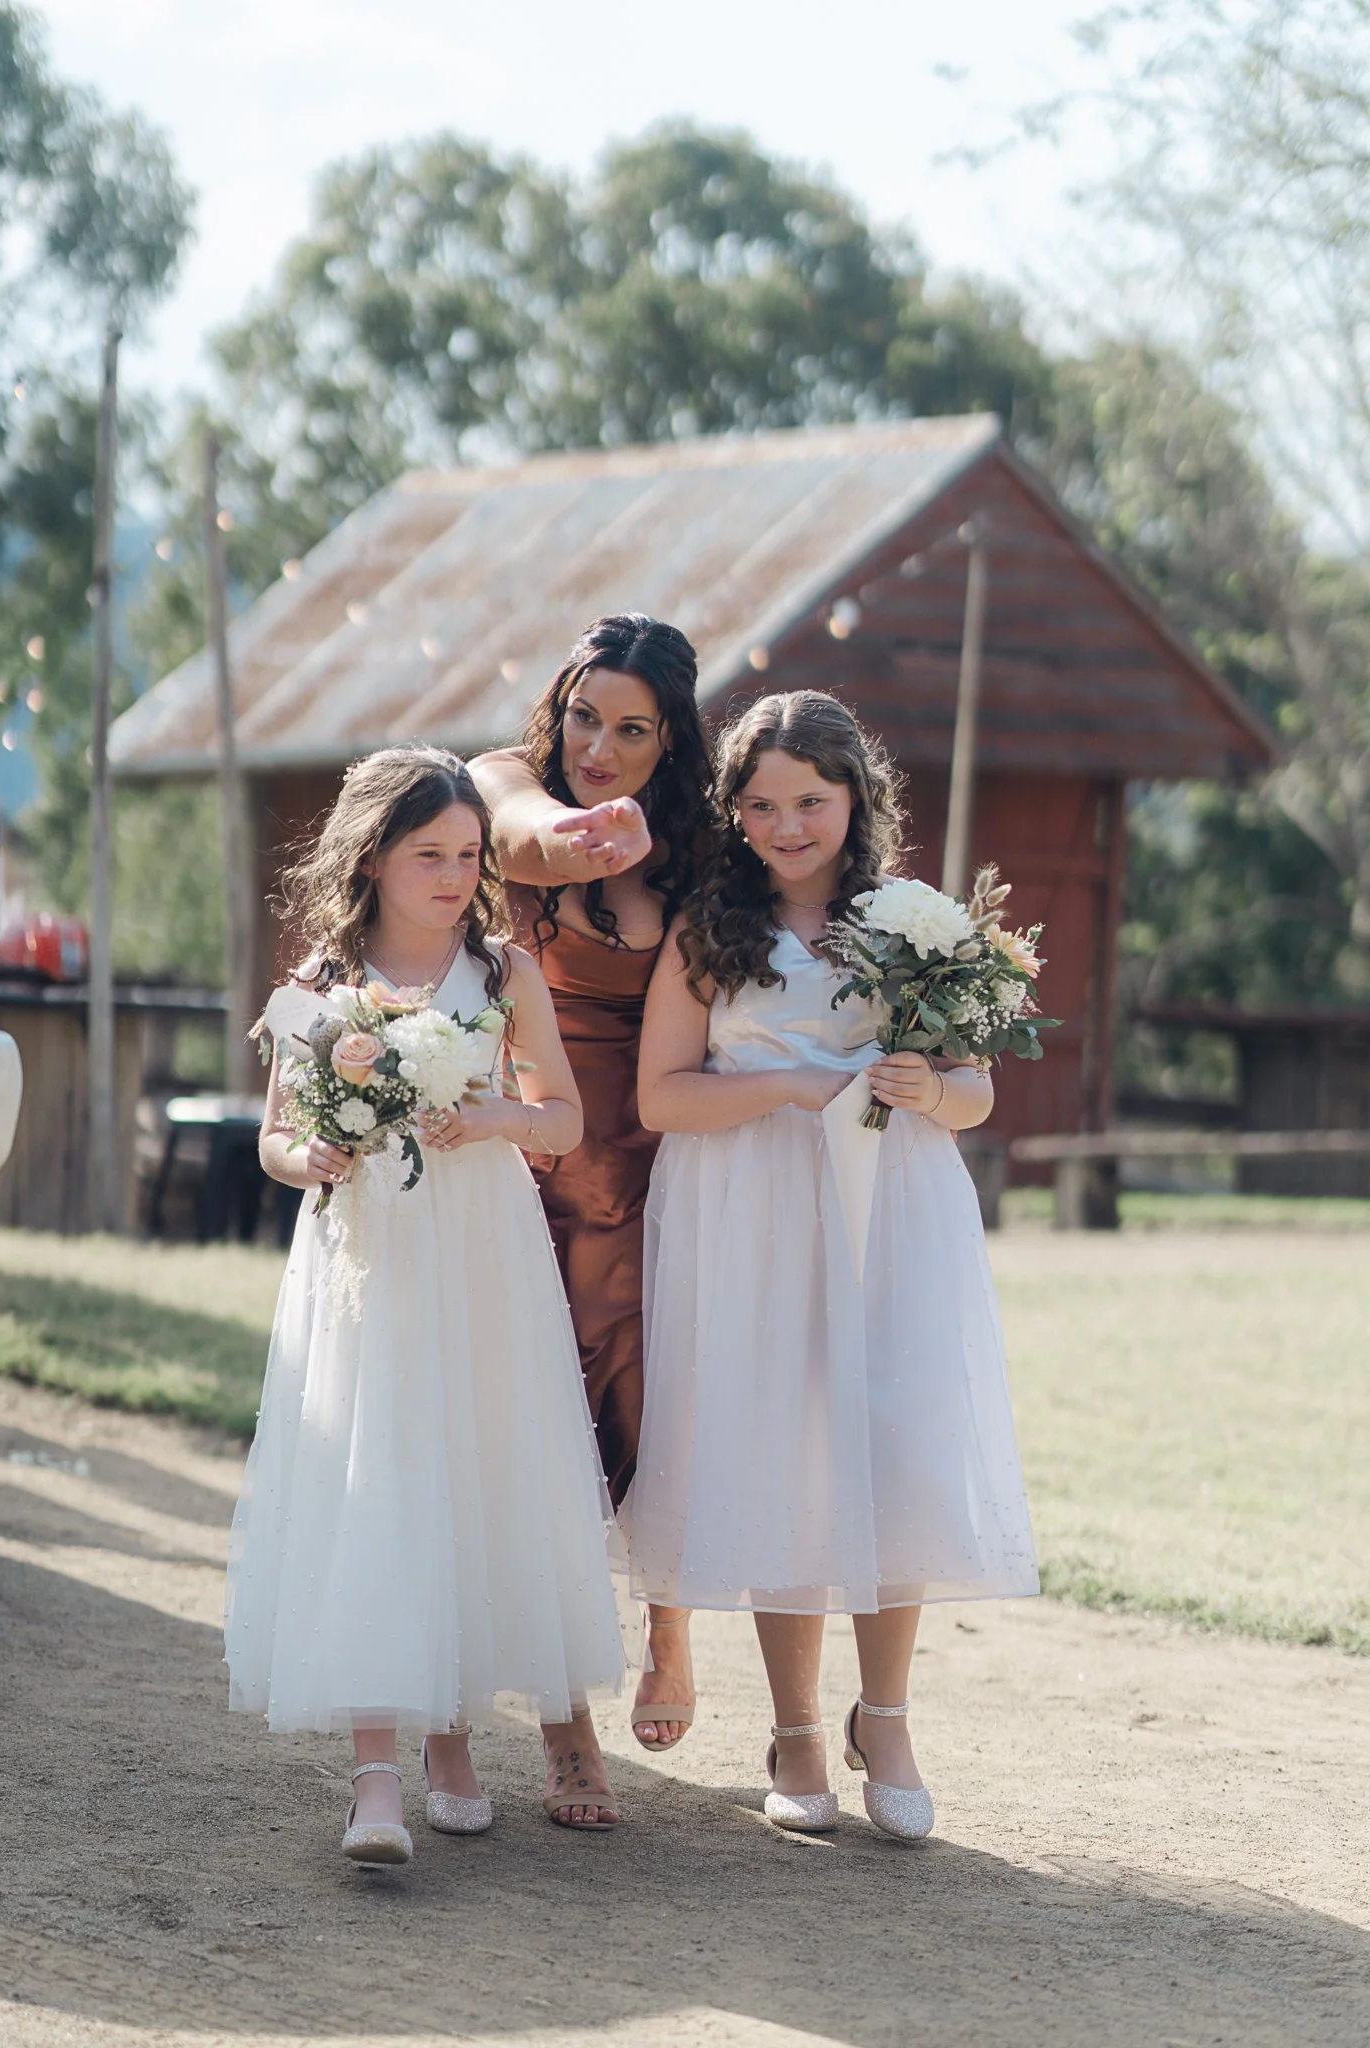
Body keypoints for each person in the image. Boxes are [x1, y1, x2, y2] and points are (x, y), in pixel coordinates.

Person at [630, 691, 1038, 1839]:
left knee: (892, 1446)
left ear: (856, 797)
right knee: (784, 1456)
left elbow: (976, 1089)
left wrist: (931, 1087)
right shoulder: (710, 933)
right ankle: (799, 1727)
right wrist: (792, 1083)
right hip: (750, 1211)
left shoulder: (913, 922)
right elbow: (663, 1093)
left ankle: (889, 1713)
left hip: (889, 1208)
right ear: (734, 812)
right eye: (760, 803)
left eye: (810, 799)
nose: (787, 823)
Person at [225, 747, 625, 1866]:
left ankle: (455, 1735)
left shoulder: (503, 976)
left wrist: (496, 1114)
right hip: (371, 1253)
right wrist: (316, 1154)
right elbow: (271, 1136)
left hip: (481, 1251)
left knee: (466, 1465)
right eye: (427, 855)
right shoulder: (324, 973)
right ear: (374, 858)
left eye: (467, 854)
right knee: (378, 1470)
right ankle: (374, 1775)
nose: (452, 876)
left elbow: (565, 1120)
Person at [471, 615, 712, 1754]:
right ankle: (566, 1715)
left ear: (672, 741)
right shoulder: (504, 785)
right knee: (546, 1422)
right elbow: (527, 837)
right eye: (583, 717)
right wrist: (584, 834)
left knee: (659, 1399)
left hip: (667, 1164)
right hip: (534, 1159)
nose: (598, 746)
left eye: (631, 730)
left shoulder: (702, 845)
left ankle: (670, 1629)